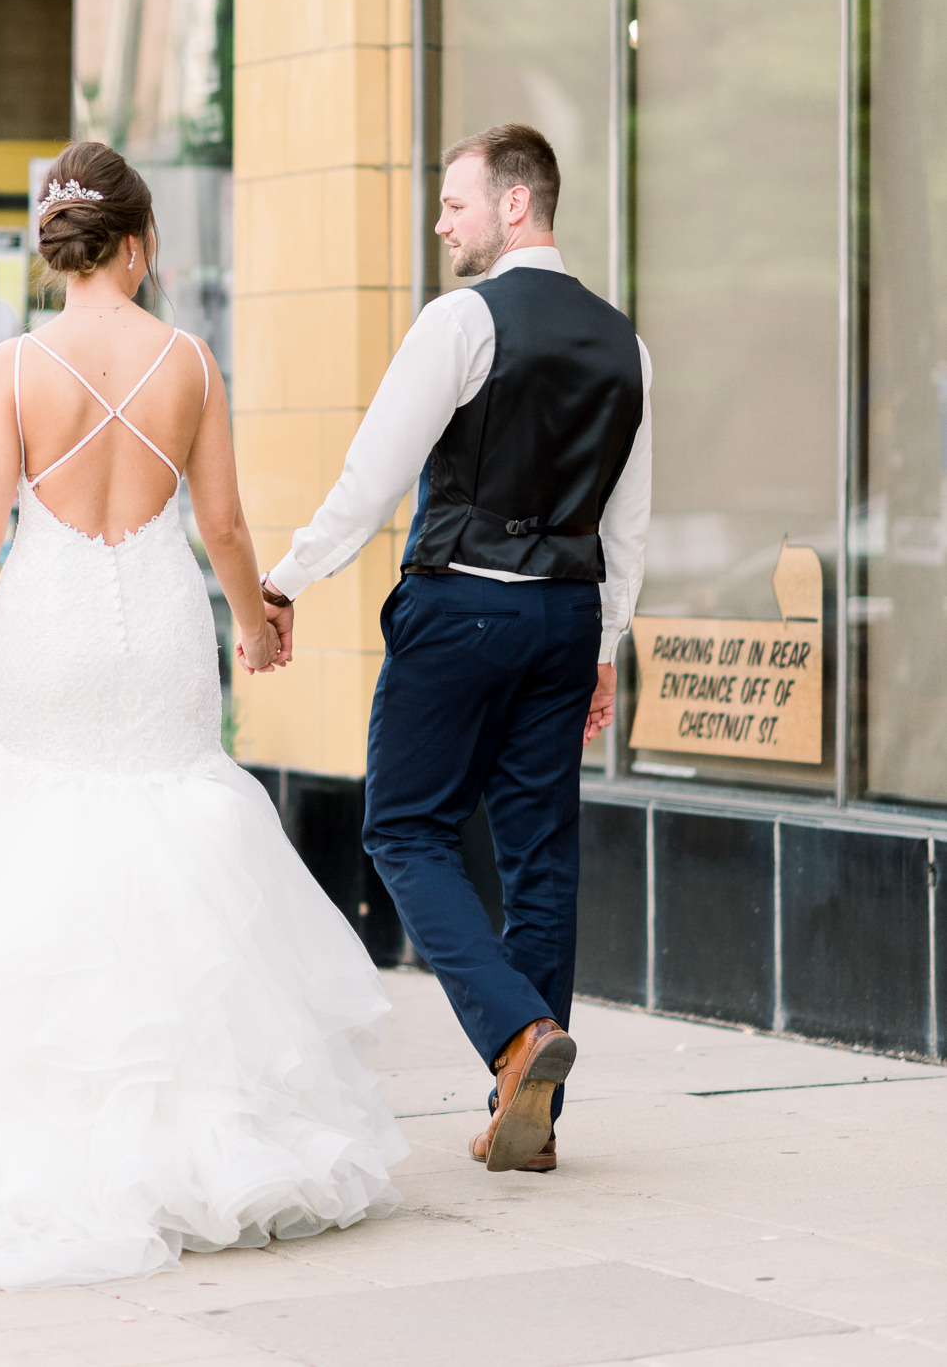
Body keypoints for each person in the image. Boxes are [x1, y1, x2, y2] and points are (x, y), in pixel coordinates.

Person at [0, 141, 404, 1289]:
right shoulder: (188, 359)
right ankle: (199, 1154)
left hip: (53, 628)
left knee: (40, 842)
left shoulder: (14, 366)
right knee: (173, 840)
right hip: (161, 626)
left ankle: (43, 1154)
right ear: (139, 244)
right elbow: (223, 528)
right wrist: (259, 620)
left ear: (59, 247)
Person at [260, 125, 651, 1175]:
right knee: (540, 856)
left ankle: (518, 1037)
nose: (442, 223)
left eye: (455, 204)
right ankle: (531, 1121)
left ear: (514, 206)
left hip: (461, 612)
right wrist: (605, 643)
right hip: (565, 618)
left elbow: (374, 474)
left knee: (403, 832)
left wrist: (284, 579)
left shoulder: (461, 321)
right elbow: (630, 524)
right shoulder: (627, 344)